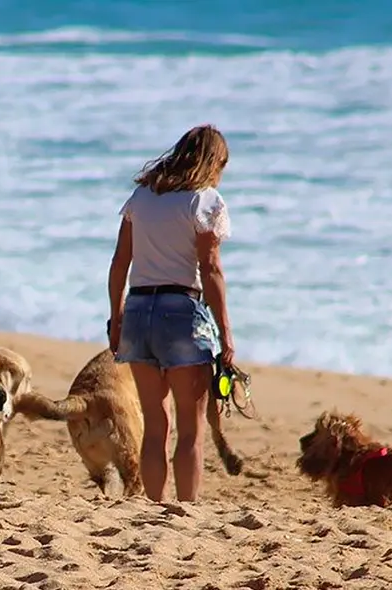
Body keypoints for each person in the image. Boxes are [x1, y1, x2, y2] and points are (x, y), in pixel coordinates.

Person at [107, 124, 235, 503]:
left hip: (138, 312)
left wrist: (116, 319)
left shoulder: (141, 197)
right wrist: (226, 333)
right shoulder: (205, 201)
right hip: (181, 312)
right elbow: (210, 269)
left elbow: (119, 263)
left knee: (154, 427)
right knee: (191, 431)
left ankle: (155, 507)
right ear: (213, 162)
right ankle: (187, 509)